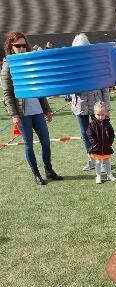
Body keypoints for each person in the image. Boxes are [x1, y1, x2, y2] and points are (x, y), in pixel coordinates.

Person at [1, 32, 63, 185]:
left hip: (37, 111)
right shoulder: (8, 65)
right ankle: (37, 174)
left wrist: (47, 109)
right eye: (18, 46)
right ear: (11, 47)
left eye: (23, 45)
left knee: (46, 142)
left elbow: (39, 88)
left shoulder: (30, 62)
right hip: (22, 114)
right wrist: (14, 114)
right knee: (29, 145)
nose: (21, 48)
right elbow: (7, 93)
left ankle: (48, 170)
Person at [71, 33, 111, 171]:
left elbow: (105, 87)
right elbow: (69, 87)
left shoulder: (97, 64)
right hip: (80, 106)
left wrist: (106, 106)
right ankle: (92, 160)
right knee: (85, 134)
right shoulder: (73, 67)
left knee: (100, 133)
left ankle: (103, 161)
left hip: (97, 105)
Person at [87, 101, 116, 184]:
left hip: (106, 147)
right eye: (98, 115)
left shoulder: (107, 123)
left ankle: (109, 175)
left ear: (106, 114)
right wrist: (94, 143)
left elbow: (112, 133)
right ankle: (98, 176)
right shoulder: (92, 124)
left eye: (102, 115)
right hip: (97, 147)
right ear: (94, 113)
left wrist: (110, 142)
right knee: (98, 162)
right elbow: (89, 134)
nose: (100, 117)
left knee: (107, 161)